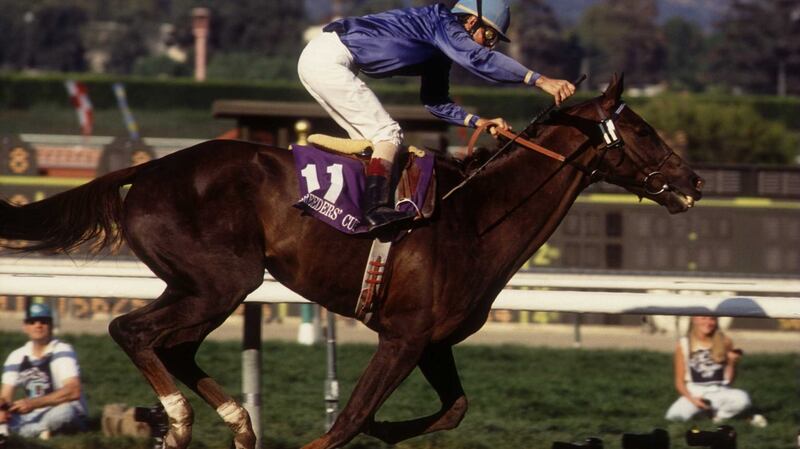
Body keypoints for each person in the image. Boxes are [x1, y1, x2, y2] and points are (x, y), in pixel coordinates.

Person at [297, 0, 576, 233]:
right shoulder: (442, 22)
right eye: (489, 36)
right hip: (330, 59)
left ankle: (346, 209)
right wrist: (539, 80)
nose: (489, 46)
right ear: (470, 22)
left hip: (324, 60)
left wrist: (478, 122)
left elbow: (435, 101)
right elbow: (478, 59)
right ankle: (375, 210)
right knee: (388, 134)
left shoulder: (439, 52)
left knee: (374, 145)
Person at [0, 303, 88, 440]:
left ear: (51, 325)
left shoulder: (62, 350)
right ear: (25, 327)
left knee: (65, 413)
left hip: (61, 409)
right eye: (32, 321)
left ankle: (19, 433)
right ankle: (41, 432)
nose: (38, 325)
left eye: (43, 321)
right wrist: (2, 409)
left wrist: (33, 403)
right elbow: (5, 396)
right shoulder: (16, 356)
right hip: (32, 414)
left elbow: (73, 390)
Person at [665, 315, 766, 426]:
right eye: (703, 318)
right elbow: (679, 382)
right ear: (694, 319)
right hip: (695, 394)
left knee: (742, 398)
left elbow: (728, 381)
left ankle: (720, 417)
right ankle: (744, 416)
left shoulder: (725, 341)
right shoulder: (683, 344)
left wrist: (732, 363)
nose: (708, 322)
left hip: (720, 392)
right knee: (673, 418)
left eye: (712, 319)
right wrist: (693, 400)